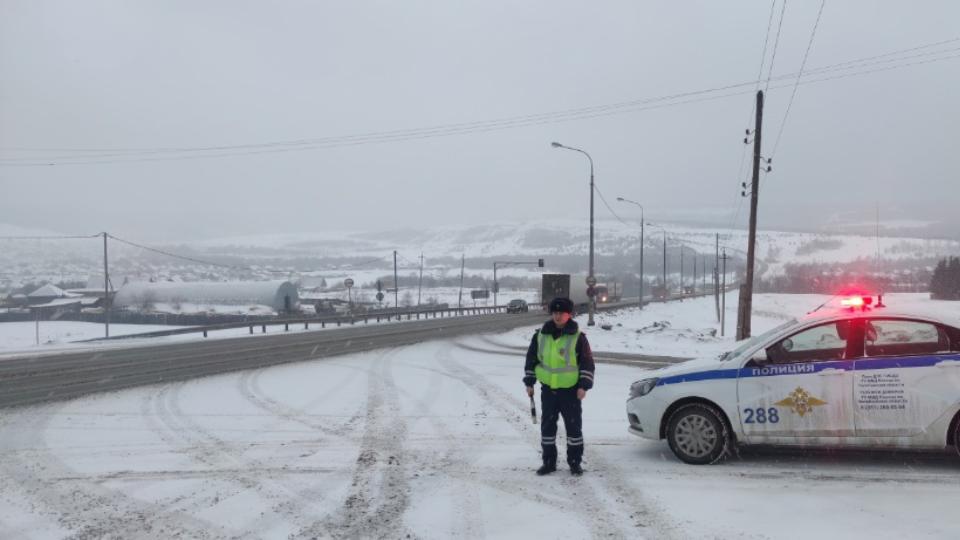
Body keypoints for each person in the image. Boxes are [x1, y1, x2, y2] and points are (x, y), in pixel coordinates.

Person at [523, 297, 595, 476]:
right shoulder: (540, 335)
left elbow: (587, 363)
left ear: (568, 314)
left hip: (570, 391)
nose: (557, 316)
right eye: (554, 313)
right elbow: (532, 359)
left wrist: (583, 386)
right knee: (547, 428)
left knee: (573, 429)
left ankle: (574, 462)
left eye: (561, 313)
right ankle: (548, 462)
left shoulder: (578, 337)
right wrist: (529, 382)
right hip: (548, 390)